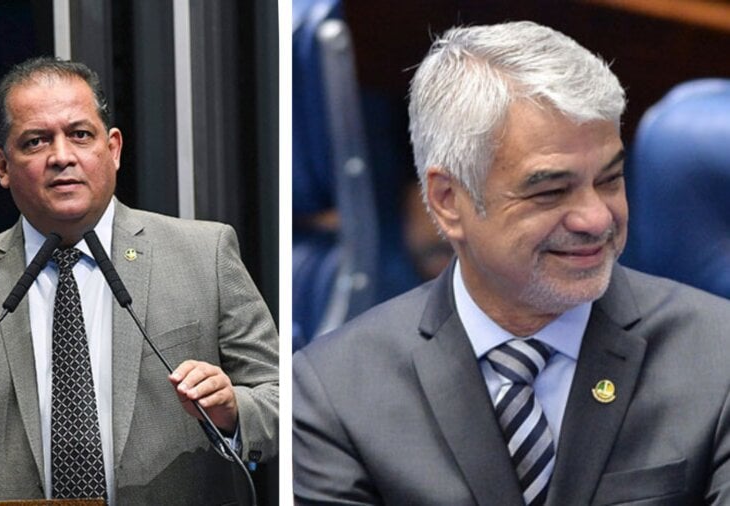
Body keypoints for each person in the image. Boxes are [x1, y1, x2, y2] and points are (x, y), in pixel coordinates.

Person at [293, 21, 730, 505]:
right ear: (448, 201)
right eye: (550, 191)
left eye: (609, 179)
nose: (595, 217)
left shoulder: (720, 356)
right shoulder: (332, 394)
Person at [0, 57, 278, 505]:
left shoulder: (204, 254)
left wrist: (233, 411)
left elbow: (280, 400)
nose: (62, 156)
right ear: (2, 166)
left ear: (114, 148)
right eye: (36, 141)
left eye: (80, 134)